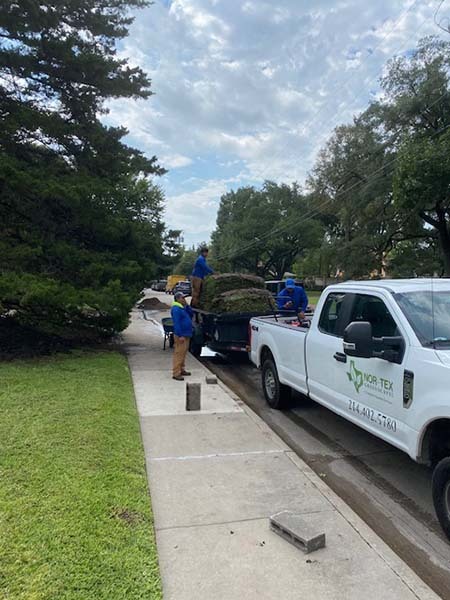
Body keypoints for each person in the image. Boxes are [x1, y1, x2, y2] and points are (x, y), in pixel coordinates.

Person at [171, 291, 194, 381]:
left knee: (183, 353)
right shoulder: (176, 309)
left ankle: (182, 369)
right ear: (177, 299)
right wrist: (180, 335)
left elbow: (191, 314)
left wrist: (187, 305)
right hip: (181, 335)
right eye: (182, 298)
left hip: (186, 333)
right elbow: (176, 323)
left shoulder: (182, 308)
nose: (184, 299)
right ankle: (176, 373)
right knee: (179, 353)